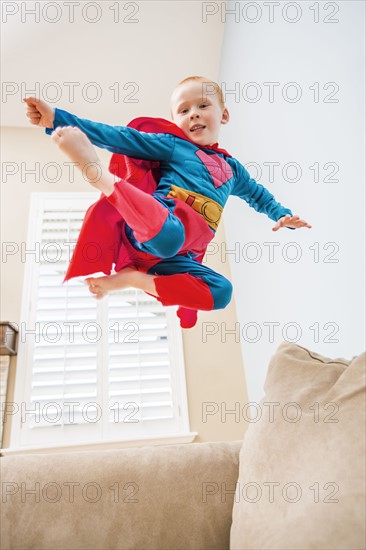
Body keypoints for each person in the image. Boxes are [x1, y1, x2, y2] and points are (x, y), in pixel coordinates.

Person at [24, 76, 311, 328]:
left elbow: (258, 195)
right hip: (150, 231)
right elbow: (121, 137)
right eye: (184, 111)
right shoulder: (174, 146)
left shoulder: (234, 170)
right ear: (176, 121)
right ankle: (98, 175)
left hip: (175, 258)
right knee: (172, 236)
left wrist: (281, 215)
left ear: (224, 115)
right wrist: (57, 118)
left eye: (202, 106)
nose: (194, 115)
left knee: (222, 292)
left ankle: (133, 279)